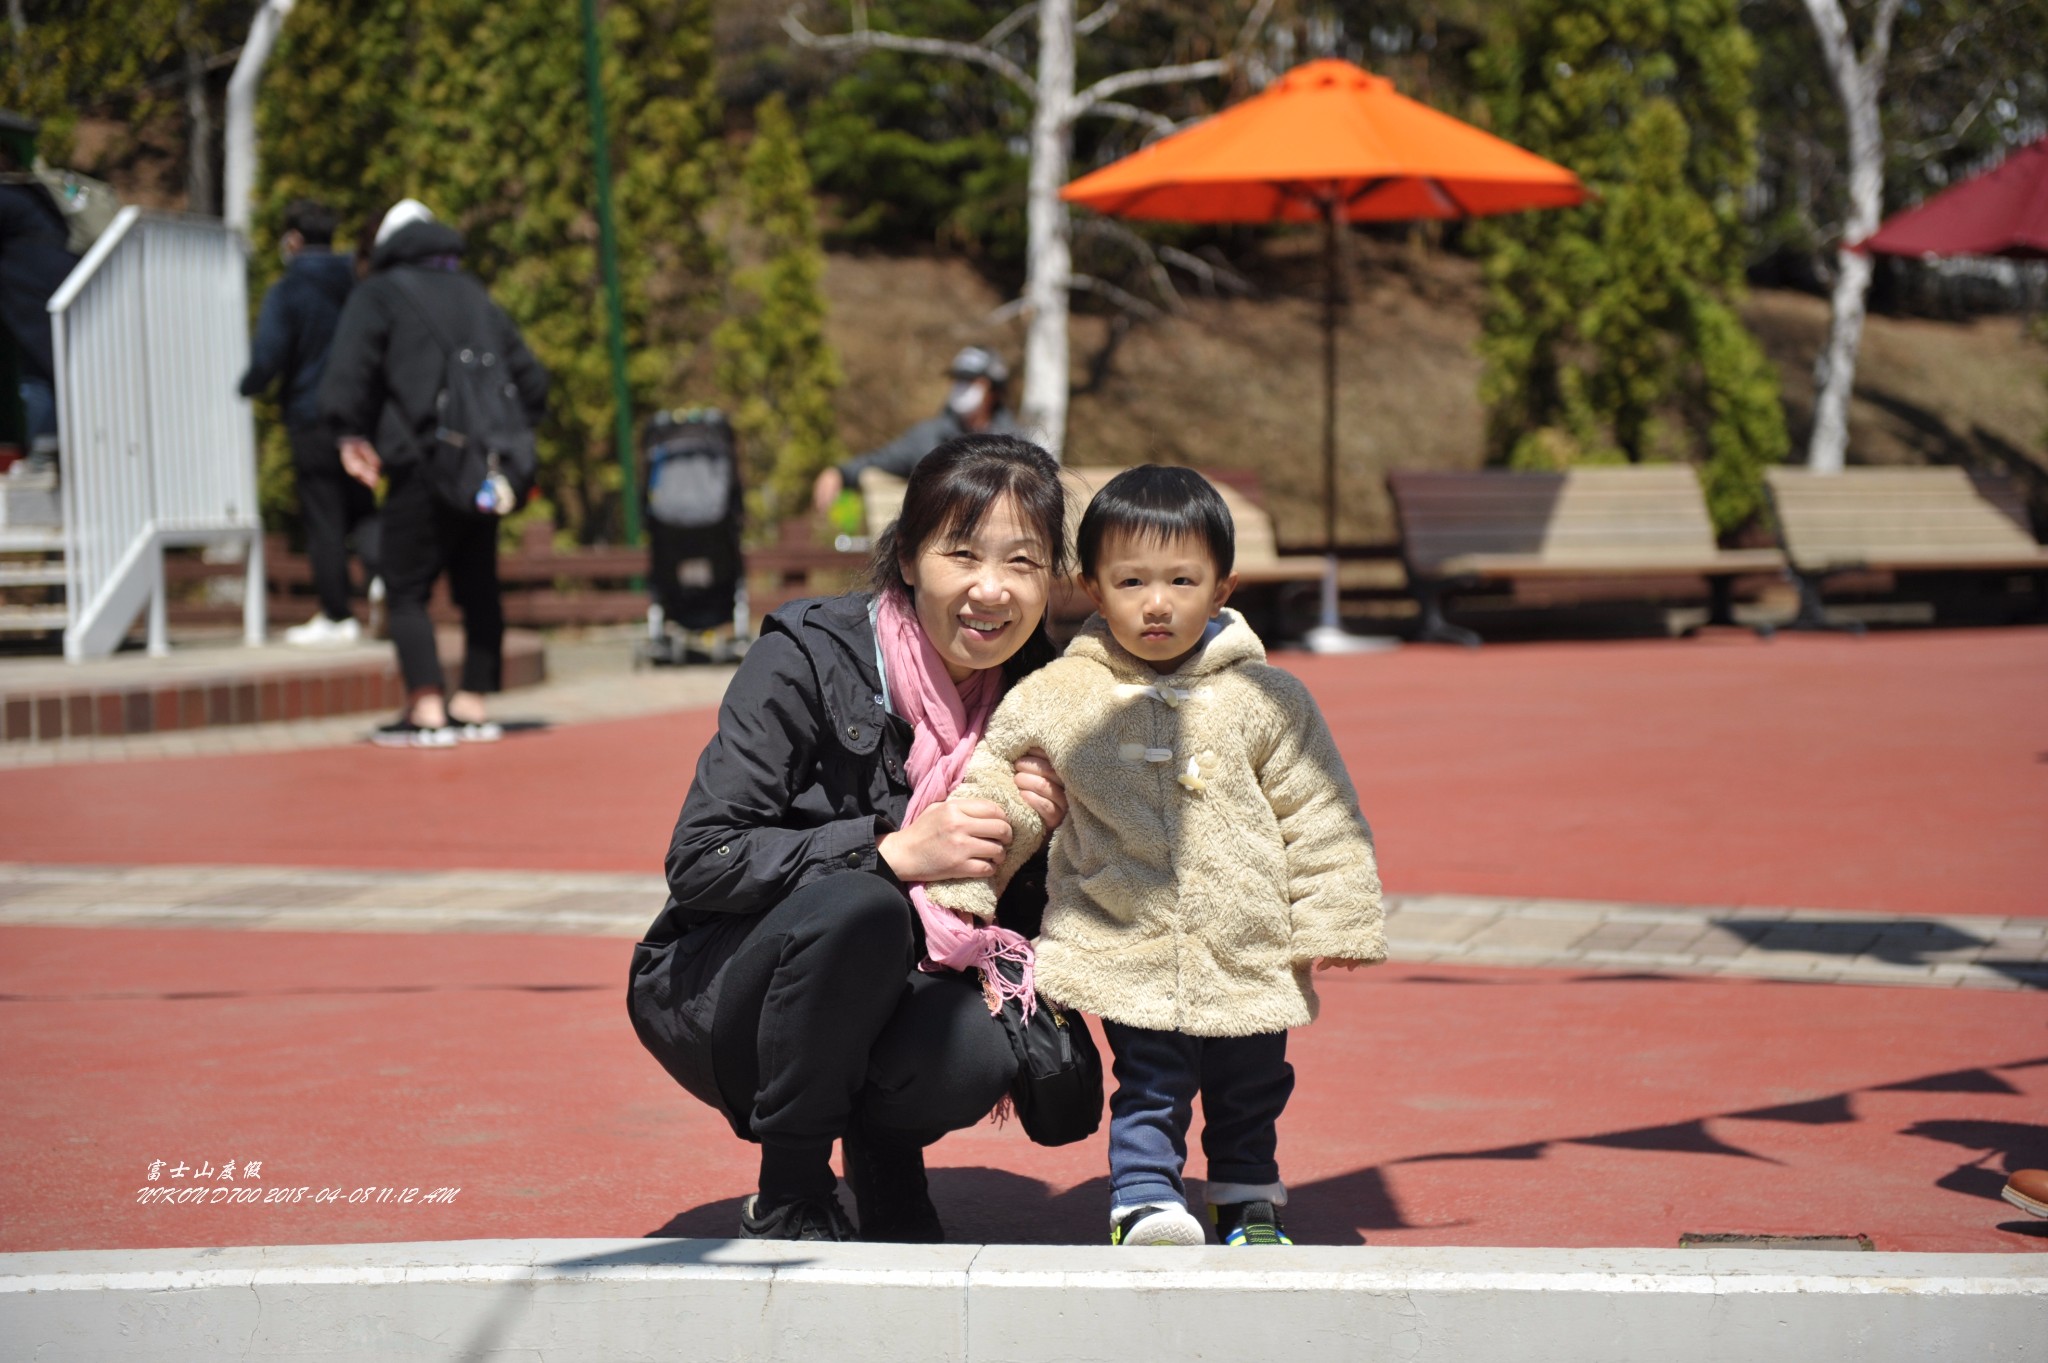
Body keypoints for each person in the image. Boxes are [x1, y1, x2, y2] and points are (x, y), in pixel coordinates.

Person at [925, 464, 1387, 1247]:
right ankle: (1142, 1197)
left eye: (1182, 579)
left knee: (1254, 1083)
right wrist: (968, 879)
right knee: (1149, 1079)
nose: (1158, 602)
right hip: (1124, 932)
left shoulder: (1269, 698)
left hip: (1245, 939)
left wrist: (1334, 916)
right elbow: (1000, 782)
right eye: (1131, 580)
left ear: (1222, 588)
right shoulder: (1062, 694)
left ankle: (1246, 1198)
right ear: (1093, 590)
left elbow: (1318, 811)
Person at [628, 434, 1074, 1242]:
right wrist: (890, 850)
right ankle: (792, 1187)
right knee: (863, 907)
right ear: (906, 557)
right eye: (963, 553)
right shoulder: (804, 656)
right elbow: (702, 858)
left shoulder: (1049, 698)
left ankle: (884, 1152)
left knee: (978, 1046)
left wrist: (1048, 836)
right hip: (728, 989)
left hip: (899, 989)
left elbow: (1038, 920)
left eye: (1023, 562)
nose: (990, 589)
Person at [318, 199, 547, 748]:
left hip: (421, 460)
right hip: (483, 469)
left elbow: (349, 372)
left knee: (404, 586)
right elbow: (533, 380)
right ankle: (473, 701)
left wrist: (348, 433)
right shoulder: (474, 295)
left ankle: (425, 706)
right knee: (478, 583)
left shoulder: (380, 293)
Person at [239, 198, 375, 646]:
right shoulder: (356, 284)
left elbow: (268, 356)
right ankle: (386, 579)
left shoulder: (289, 290)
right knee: (362, 504)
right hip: (359, 413)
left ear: (293, 240)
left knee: (325, 519)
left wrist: (249, 385)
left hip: (311, 414)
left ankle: (338, 614)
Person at [810, 346, 1020, 514]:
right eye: (958, 381)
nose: (961, 389)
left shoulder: (1018, 445)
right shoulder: (926, 438)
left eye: (971, 381)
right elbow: (878, 460)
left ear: (994, 391)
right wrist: (839, 473)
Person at [0, 127, 79, 466]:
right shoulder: (32, 195)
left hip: (38, 305)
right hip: (43, 302)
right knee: (45, 376)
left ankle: (45, 455)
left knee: (41, 379)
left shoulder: (10, 198)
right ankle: (47, 452)